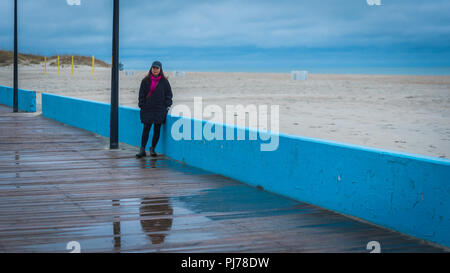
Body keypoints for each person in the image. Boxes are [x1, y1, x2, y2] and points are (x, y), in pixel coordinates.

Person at [136, 61, 173, 158]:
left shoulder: (164, 82)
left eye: (157, 68)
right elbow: (141, 94)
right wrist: (142, 105)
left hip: (159, 110)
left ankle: (152, 149)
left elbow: (169, 95)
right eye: (153, 68)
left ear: (160, 69)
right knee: (146, 129)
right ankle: (142, 149)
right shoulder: (145, 81)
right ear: (151, 69)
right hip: (147, 109)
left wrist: (167, 106)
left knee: (157, 129)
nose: (155, 70)